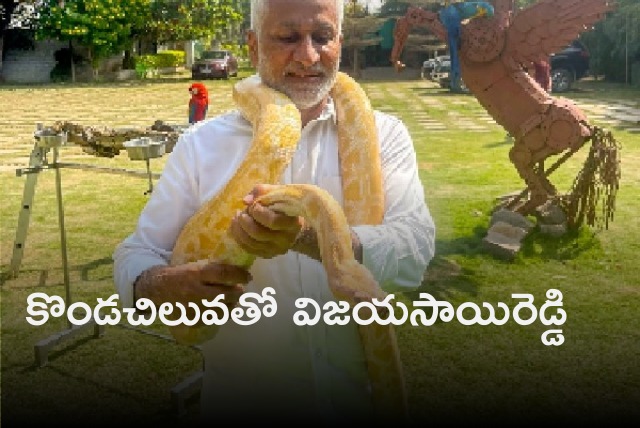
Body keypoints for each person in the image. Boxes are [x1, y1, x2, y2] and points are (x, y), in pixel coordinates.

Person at [113, 0, 435, 423]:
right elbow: (138, 252)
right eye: (287, 37)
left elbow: (416, 248)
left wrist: (318, 241)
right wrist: (158, 283)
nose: (308, 55)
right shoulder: (201, 144)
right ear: (252, 47)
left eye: (323, 37)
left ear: (339, 41)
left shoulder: (384, 135)